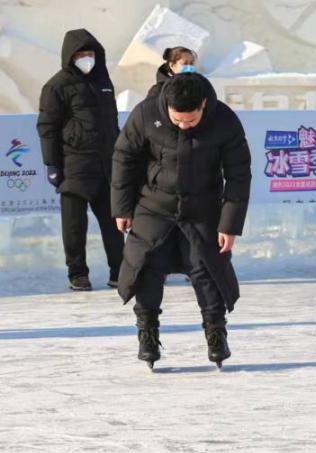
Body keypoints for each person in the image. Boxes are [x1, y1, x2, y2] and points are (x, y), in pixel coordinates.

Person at [112, 73, 251, 369]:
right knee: (147, 266)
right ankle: (147, 334)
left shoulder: (224, 121)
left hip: (203, 207)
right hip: (153, 205)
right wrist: (122, 209)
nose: (184, 126)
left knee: (207, 269)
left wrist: (229, 224)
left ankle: (216, 334)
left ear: (203, 105)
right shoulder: (147, 114)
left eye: (190, 120)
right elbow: (124, 158)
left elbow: (238, 174)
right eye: (178, 120)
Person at [35, 29, 124, 291]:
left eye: (90, 53)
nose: (87, 58)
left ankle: (119, 271)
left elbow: (112, 123)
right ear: (70, 56)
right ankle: (77, 273)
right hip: (74, 165)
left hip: (106, 165)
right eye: (81, 54)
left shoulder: (104, 81)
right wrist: (52, 164)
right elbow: (47, 127)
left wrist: (120, 156)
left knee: (113, 222)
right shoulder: (56, 86)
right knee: (74, 225)